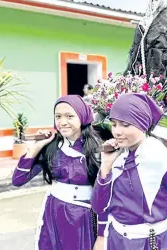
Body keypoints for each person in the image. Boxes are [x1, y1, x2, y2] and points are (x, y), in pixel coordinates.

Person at [91, 93, 167, 250]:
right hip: (116, 242)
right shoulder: (117, 157)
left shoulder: (164, 161)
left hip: (151, 244)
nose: (117, 131)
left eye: (125, 124)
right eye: (114, 124)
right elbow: (98, 206)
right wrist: (106, 166)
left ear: (142, 124)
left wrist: (162, 232)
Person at [12, 95, 102, 249]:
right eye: (58, 116)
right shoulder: (52, 148)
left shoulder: (98, 149)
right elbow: (18, 180)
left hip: (84, 218)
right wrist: (37, 145)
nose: (62, 122)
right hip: (54, 214)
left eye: (69, 116)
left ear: (82, 116)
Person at [124, 0, 167, 78]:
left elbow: (163, 47)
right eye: (152, 0)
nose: (153, 3)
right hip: (142, 60)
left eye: (156, 0)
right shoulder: (144, 21)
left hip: (157, 63)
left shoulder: (166, 24)